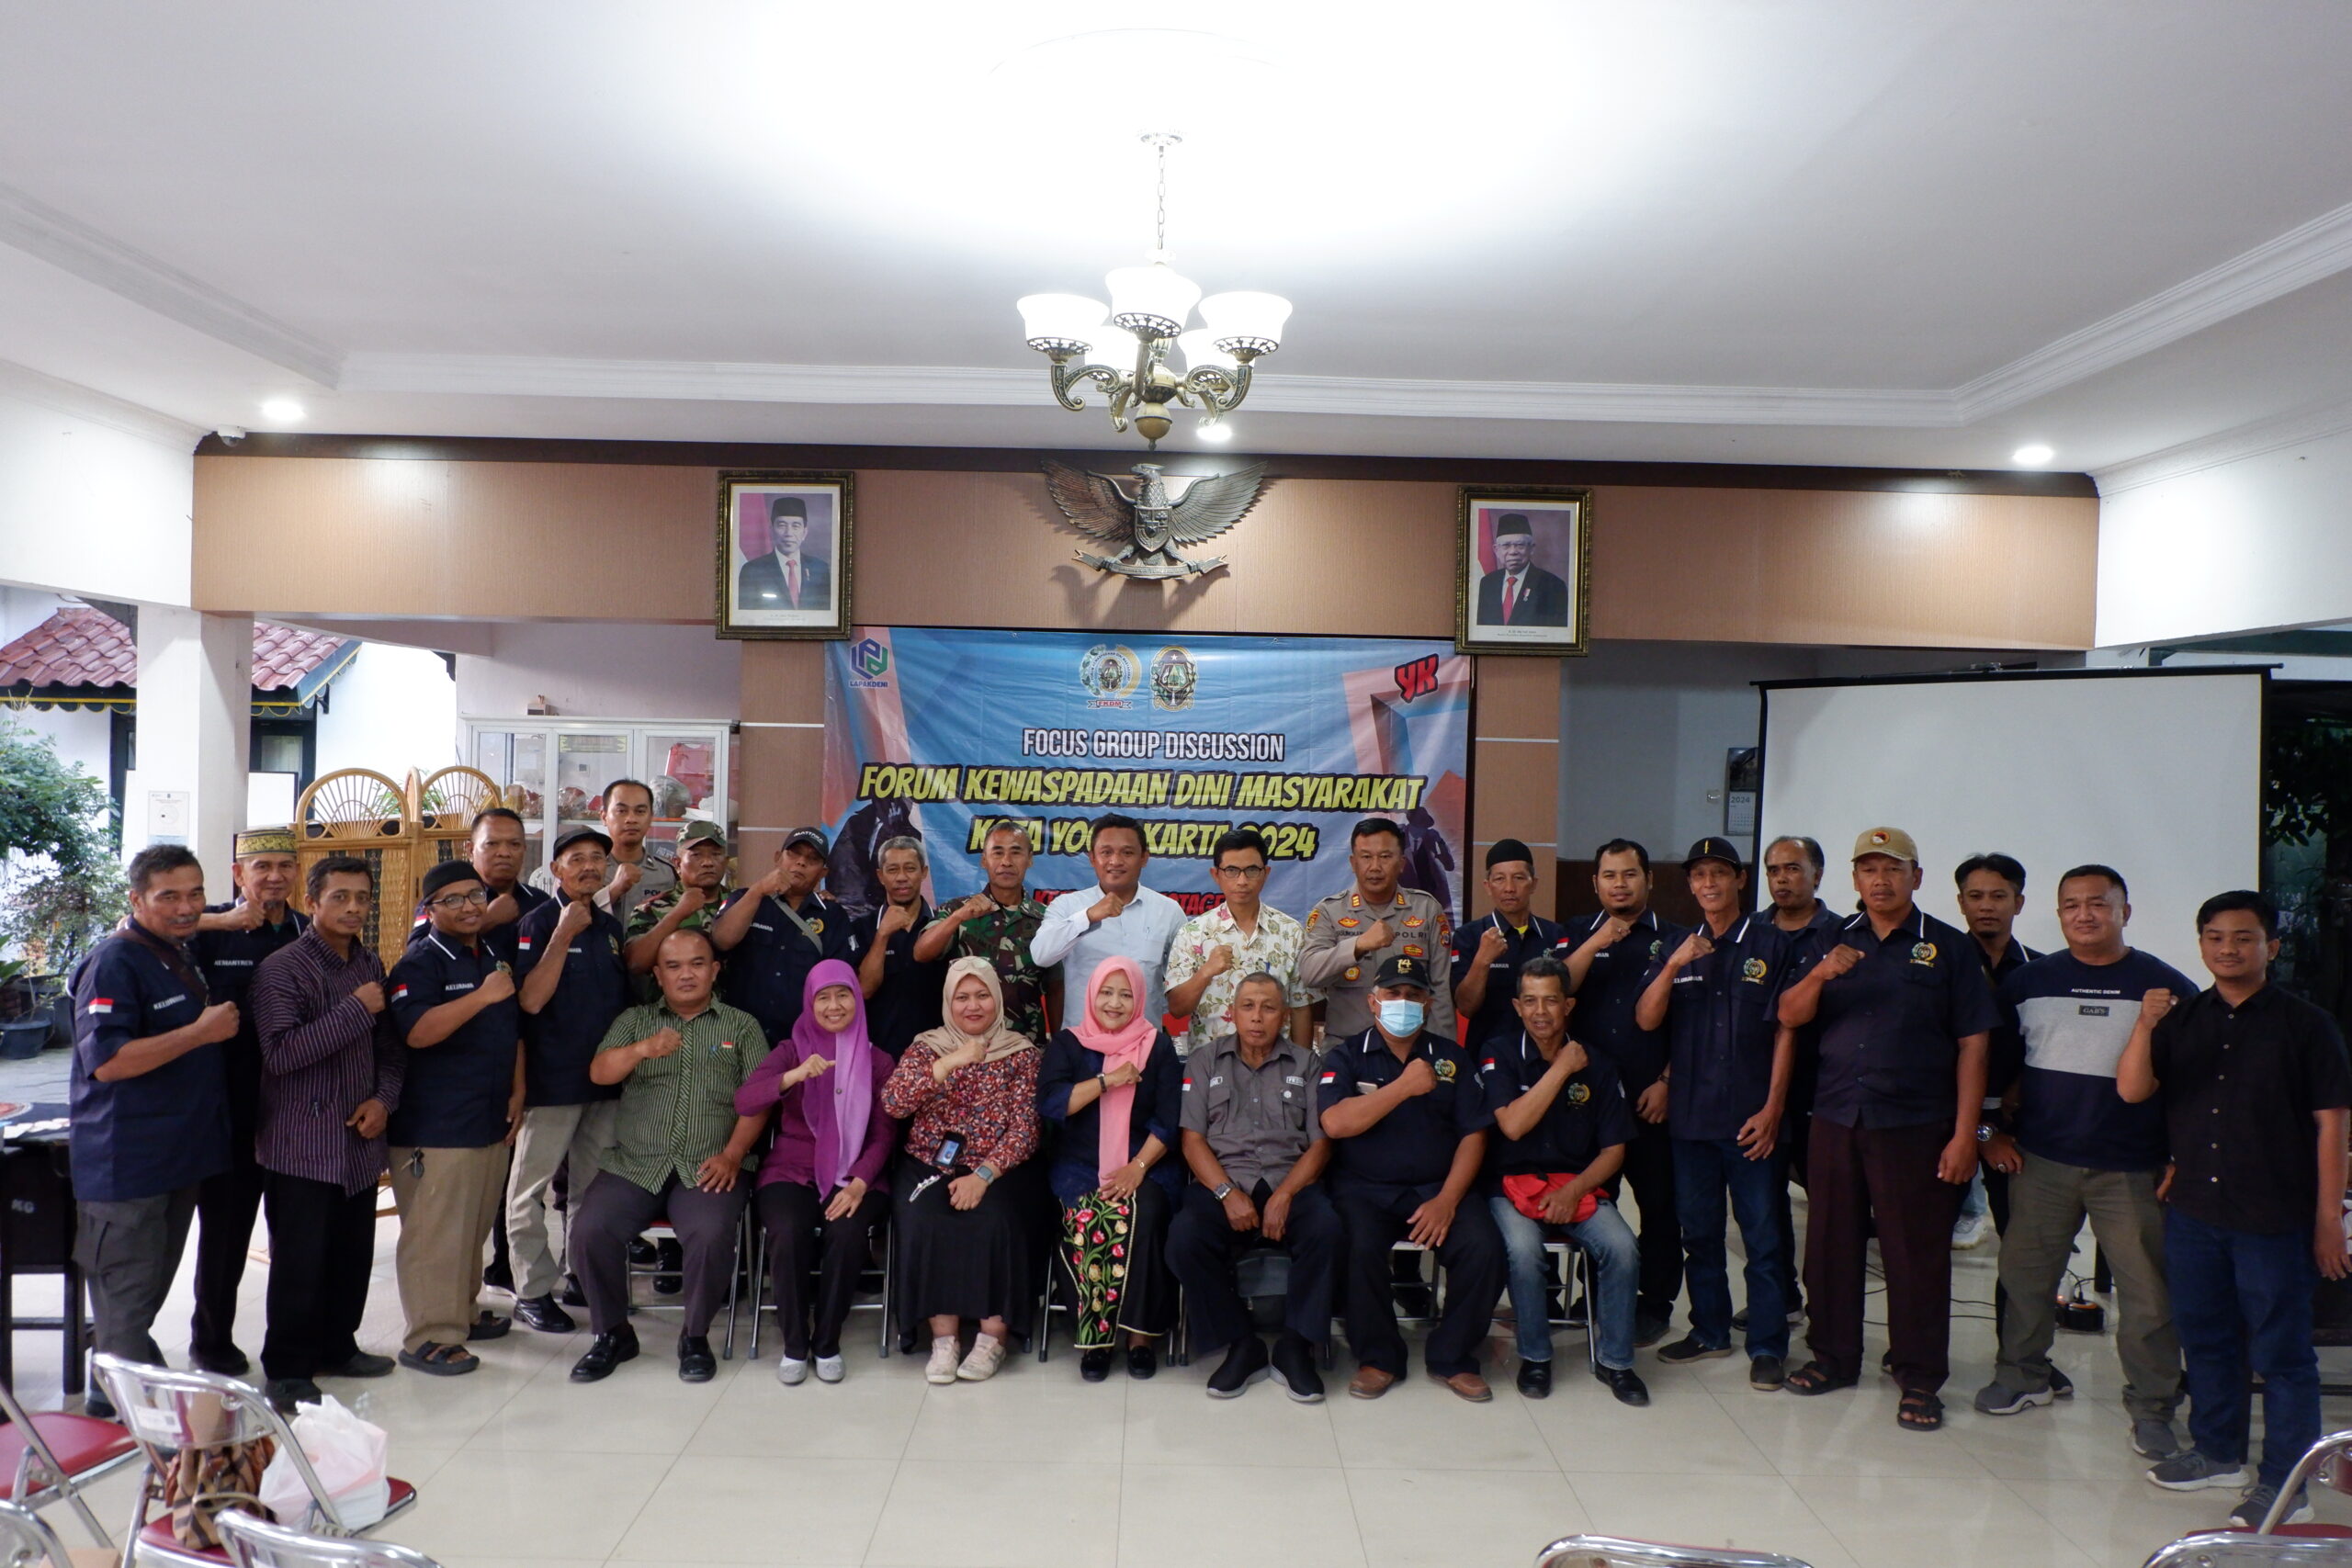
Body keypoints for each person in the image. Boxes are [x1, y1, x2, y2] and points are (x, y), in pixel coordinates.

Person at [2120, 890, 2352, 1529]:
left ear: (2270, 947)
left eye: (2244, 938)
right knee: (2208, 1339)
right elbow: (2133, 1089)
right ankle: (2218, 1453)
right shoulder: (2183, 1018)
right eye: (2216, 937)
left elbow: (2333, 1125)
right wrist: (2144, 1025)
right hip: (2195, 1209)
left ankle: (2287, 1482)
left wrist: (2328, 1219)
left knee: (2281, 1354)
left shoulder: (2307, 1025)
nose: (2229, 949)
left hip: (2275, 1216)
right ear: (2202, 944)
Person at [1775, 827, 1995, 1430]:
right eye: (1869, 869)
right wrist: (1821, 974)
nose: (1880, 880)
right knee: (1829, 1245)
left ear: (1916, 877)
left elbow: (1974, 1045)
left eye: (1893, 869)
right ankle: (1833, 1356)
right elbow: (1789, 1015)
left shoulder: (1948, 947)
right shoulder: (1829, 937)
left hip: (1916, 1123)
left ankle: (1919, 1377)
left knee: (1914, 1254)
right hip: (1836, 1115)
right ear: (1854, 879)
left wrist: (1965, 1135)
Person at [1972, 865, 2190, 1460]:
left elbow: (2192, 1082)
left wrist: (2182, 1156)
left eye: (2098, 903)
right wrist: (1988, 1132)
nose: (2084, 914)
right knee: (2026, 1277)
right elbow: (1993, 1068)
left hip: (2132, 1167)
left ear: (2125, 911)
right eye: (2072, 905)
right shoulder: (2029, 983)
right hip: (2042, 1161)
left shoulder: (2165, 986)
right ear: (2059, 912)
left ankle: (2152, 1406)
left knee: (2147, 1295)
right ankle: (2023, 1375)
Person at [69, 846, 235, 1418]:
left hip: (177, 1156)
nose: (186, 907)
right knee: (126, 1293)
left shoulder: (173, 952)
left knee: (145, 1294)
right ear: (136, 900)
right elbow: (109, 1062)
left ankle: (121, 1381)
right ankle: (119, 1415)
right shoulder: (113, 962)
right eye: (169, 896)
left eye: (195, 893)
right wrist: (199, 1033)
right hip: (126, 1163)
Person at [568, 929, 771, 1383]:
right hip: (636, 1163)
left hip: (711, 1164)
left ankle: (694, 1337)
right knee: (589, 1230)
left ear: (714, 970)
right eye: (674, 966)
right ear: (658, 975)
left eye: (697, 964)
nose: (686, 975)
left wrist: (733, 1154)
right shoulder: (635, 1020)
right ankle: (613, 1333)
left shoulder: (741, 1026)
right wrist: (642, 1050)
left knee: (710, 1233)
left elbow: (759, 1099)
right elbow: (600, 1072)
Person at [1633, 838, 1793, 1388]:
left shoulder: (1772, 944)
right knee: (1699, 1233)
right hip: (1692, 1121)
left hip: (1752, 1121)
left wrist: (1774, 1108)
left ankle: (1768, 1345)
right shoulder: (1676, 946)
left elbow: (1788, 1033)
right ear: (1690, 885)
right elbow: (1647, 1019)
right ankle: (1710, 1330)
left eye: (1719, 874)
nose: (1708, 884)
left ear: (1739, 879)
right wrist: (1674, 964)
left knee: (1762, 1239)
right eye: (1699, 875)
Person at [249, 856, 402, 1410]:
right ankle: (288, 1369)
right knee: (300, 1262)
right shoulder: (281, 969)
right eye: (340, 897)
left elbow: (390, 1049)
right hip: (301, 1145)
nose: (353, 908)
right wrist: (355, 1010)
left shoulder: (369, 962)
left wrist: (384, 1100)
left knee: (351, 1255)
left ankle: (339, 1347)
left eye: (362, 897)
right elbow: (281, 1054)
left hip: (358, 1141)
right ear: (311, 902)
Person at [1317, 954, 1505, 1402]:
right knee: (1356, 1247)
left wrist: (1447, 1201)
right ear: (1373, 1001)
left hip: (1438, 1188)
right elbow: (1335, 1124)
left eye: (1413, 994)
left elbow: (1474, 1135)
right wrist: (1402, 1087)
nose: (1403, 1002)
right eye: (1393, 993)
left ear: (1428, 1003)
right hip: (1365, 1189)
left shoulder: (1451, 1058)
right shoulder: (1345, 1055)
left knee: (1485, 1249)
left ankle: (1453, 1356)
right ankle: (1378, 1357)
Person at [1483, 955, 1648, 1404]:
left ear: (1568, 1005)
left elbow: (1614, 1151)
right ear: (1517, 1006)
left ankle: (1616, 1361)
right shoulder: (1499, 1054)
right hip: (1510, 1187)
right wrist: (1560, 1069)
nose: (1540, 1012)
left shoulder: (1599, 1063)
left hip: (1579, 1185)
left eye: (1551, 1001)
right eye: (1530, 1001)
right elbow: (1512, 1126)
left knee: (1622, 1247)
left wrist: (1573, 1191)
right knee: (1523, 1251)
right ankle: (1535, 1357)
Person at [385, 857, 526, 1376]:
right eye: (454, 900)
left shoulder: (489, 953)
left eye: (475, 896)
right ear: (431, 908)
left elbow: (510, 1030)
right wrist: (482, 996)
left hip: (487, 1117)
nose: (468, 907)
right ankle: (429, 1336)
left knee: (470, 1230)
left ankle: (462, 1312)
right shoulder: (419, 963)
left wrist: (518, 1089)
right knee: (435, 1235)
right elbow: (417, 1032)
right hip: (436, 1125)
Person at [1169, 971, 1339, 1402]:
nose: (1257, 1017)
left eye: (1268, 1008)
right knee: (1184, 1238)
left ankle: (1295, 1346)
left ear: (1285, 1016)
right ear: (1233, 1012)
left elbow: (1321, 1144)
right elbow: (1192, 1140)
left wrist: (1285, 1195)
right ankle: (1241, 1344)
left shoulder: (1307, 1063)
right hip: (1223, 1181)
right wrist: (1226, 1193)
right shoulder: (1205, 1061)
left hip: (1291, 1180)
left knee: (1328, 1229)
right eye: (1248, 1007)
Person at [881, 958, 1042, 1385]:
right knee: (926, 1219)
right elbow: (894, 1103)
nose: (973, 1006)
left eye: (982, 995)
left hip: (999, 1167)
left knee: (997, 1220)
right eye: (962, 997)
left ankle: (992, 1338)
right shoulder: (927, 1046)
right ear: (948, 1002)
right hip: (929, 1162)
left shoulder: (1021, 1052)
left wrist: (983, 1175)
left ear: (997, 998)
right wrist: (949, 1062)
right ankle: (944, 1340)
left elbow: (1026, 1128)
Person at [736, 960, 895, 1385]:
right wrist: (795, 1075)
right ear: (809, 1002)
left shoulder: (877, 1060)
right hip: (791, 1170)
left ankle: (827, 1341)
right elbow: (746, 1100)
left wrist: (860, 1182)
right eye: (823, 997)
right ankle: (793, 1343)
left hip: (858, 1175)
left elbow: (884, 1134)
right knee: (788, 1231)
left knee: (847, 1232)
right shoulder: (791, 1049)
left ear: (857, 1000)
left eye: (843, 995)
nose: (834, 1005)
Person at [185, 826, 306, 1377]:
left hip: (297, 1109)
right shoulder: (206, 927)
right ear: (239, 874)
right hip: (229, 1108)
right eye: (262, 866)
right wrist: (222, 921)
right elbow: (129, 930)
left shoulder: (307, 931)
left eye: (285, 865)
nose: (275, 876)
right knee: (225, 1233)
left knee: (297, 1234)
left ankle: (295, 1344)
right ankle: (210, 1342)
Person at [505, 826, 631, 1334]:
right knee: (528, 1191)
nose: (588, 866)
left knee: (590, 1190)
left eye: (597, 858)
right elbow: (531, 1000)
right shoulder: (537, 922)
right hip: (552, 1084)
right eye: (576, 858)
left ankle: (583, 1274)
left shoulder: (611, 928)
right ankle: (531, 1291)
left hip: (605, 1084)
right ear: (556, 869)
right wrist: (563, 934)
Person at [1561, 838, 1685, 1347]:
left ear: (1648, 880)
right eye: (1609, 876)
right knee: (1594, 1202)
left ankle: (1654, 1303)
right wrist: (1596, 942)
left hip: (1651, 1098)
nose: (1620, 884)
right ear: (1595, 883)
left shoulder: (1676, 939)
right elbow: (1558, 990)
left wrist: (1668, 1082)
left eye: (1630, 874)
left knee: (1660, 1207)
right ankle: (1593, 1295)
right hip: (1589, 1103)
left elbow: (1691, 1024)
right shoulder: (1575, 933)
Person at [1038, 956, 1183, 1381]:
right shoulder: (1068, 1044)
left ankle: (1140, 1337)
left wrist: (1137, 1167)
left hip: (1147, 1163)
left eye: (1125, 994)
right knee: (1087, 1215)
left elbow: (1169, 1120)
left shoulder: (1158, 1046)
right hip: (1080, 1165)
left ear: (1139, 999)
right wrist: (1108, 1080)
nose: (1115, 1003)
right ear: (1091, 995)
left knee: (1144, 1214)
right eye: (1106, 992)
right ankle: (1096, 1339)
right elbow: (1052, 1103)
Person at [1755, 833, 1837, 1329]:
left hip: (1820, 1092)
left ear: (1817, 875)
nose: (1781, 879)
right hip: (1758, 1091)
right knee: (1765, 1205)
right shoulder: (1751, 932)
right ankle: (1780, 1298)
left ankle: (1827, 1308)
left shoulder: (1840, 935)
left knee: (1826, 1209)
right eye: (1773, 870)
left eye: (1792, 868)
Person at [1300, 817, 1458, 1043]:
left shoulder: (1427, 909)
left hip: (1411, 1046)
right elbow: (1310, 973)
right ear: (1353, 863)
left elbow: (1440, 989)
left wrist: (1440, 1051)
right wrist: (1358, 945)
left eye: (1385, 857)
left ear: (1402, 863)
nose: (1375, 867)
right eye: (1366, 857)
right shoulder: (1329, 911)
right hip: (1347, 1046)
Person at [1165, 828, 1316, 1057]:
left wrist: (1302, 1067)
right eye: (1232, 871)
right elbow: (1176, 1009)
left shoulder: (1290, 932)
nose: (1242, 881)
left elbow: (1300, 1007)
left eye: (1251, 870)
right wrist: (1205, 972)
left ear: (1266, 873)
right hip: (1211, 1065)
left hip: (1276, 1065)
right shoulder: (1193, 933)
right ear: (1216, 875)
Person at [1954, 852, 2039, 1249]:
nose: (1986, 906)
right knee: (1923, 1244)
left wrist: (1994, 1128)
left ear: (2018, 903)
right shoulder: (1937, 965)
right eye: (1975, 896)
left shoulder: (2041, 972)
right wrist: (1979, 1132)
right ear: (1961, 902)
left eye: (1998, 896)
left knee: (2024, 1244)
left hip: (2015, 1126)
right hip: (1946, 1123)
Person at [1029, 813, 1187, 1025]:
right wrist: (1088, 917)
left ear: (1144, 858)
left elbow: (1181, 985)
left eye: (1127, 852)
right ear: (1092, 858)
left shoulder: (1168, 911)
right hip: (1082, 1040)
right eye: (1106, 852)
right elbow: (1041, 955)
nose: (1116, 861)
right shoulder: (1067, 906)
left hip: (1144, 1040)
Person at [917, 819, 1055, 1043]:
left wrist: (1057, 1044)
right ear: (984, 860)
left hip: (1026, 1047)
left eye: (1016, 852)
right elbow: (921, 953)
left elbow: (1056, 987)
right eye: (997, 852)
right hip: (965, 1048)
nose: (1006, 861)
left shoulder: (1047, 919)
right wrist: (958, 918)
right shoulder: (957, 910)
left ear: (1030, 859)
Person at [712, 826, 852, 1043]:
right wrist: (758, 890)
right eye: (794, 853)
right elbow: (722, 940)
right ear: (778, 858)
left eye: (812, 859)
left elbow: (838, 980)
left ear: (823, 873)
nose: (801, 862)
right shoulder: (745, 898)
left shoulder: (833, 915)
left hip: (801, 1041)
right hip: (738, 1036)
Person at [1450, 838, 1569, 1055]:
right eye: (1499, 879)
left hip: (1546, 1053)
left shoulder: (1556, 935)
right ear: (1488, 886)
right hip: (1487, 1053)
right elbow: (1466, 1008)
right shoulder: (1468, 936)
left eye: (1519, 878)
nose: (1509, 888)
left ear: (1533, 884)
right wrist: (1482, 960)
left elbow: (1566, 997)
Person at [850, 835, 947, 1057]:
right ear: (880, 876)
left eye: (910, 869)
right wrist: (883, 934)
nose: (902, 877)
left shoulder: (942, 927)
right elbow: (864, 990)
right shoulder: (862, 928)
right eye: (893, 870)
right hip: (878, 1056)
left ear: (924, 872)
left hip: (936, 1054)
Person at [529, 779, 675, 925]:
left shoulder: (667, 873)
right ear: (604, 816)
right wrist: (613, 890)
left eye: (640, 811)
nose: (631, 819)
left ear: (650, 818)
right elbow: (562, 918)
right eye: (621, 811)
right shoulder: (580, 870)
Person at [624, 818, 730, 981]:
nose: (708, 862)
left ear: (726, 862)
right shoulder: (652, 908)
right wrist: (677, 914)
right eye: (696, 855)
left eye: (716, 854)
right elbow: (635, 964)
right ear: (678, 864)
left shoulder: (739, 904)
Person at [1473, 513, 1569, 626]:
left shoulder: (1552, 586)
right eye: (1506, 545)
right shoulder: (1487, 583)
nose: (1513, 552)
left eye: (1520, 545)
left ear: (1531, 549)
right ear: (1496, 550)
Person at [738, 494, 831, 613]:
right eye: (782, 525)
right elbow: (746, 615)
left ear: (804, 533)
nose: (789, 533)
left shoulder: (820, 568)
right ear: (771, 530)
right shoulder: (752, 570)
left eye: (795, 526)